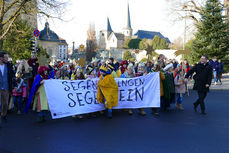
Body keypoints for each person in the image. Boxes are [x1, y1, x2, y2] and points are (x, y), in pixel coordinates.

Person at [0, 51, 15, 124]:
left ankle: (3, 115)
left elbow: (12, 76)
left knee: (5, 104)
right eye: (6, 57)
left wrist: (14, 85)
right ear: (1, 58)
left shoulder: (8, 65)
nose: (7, 59)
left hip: (6, 88)